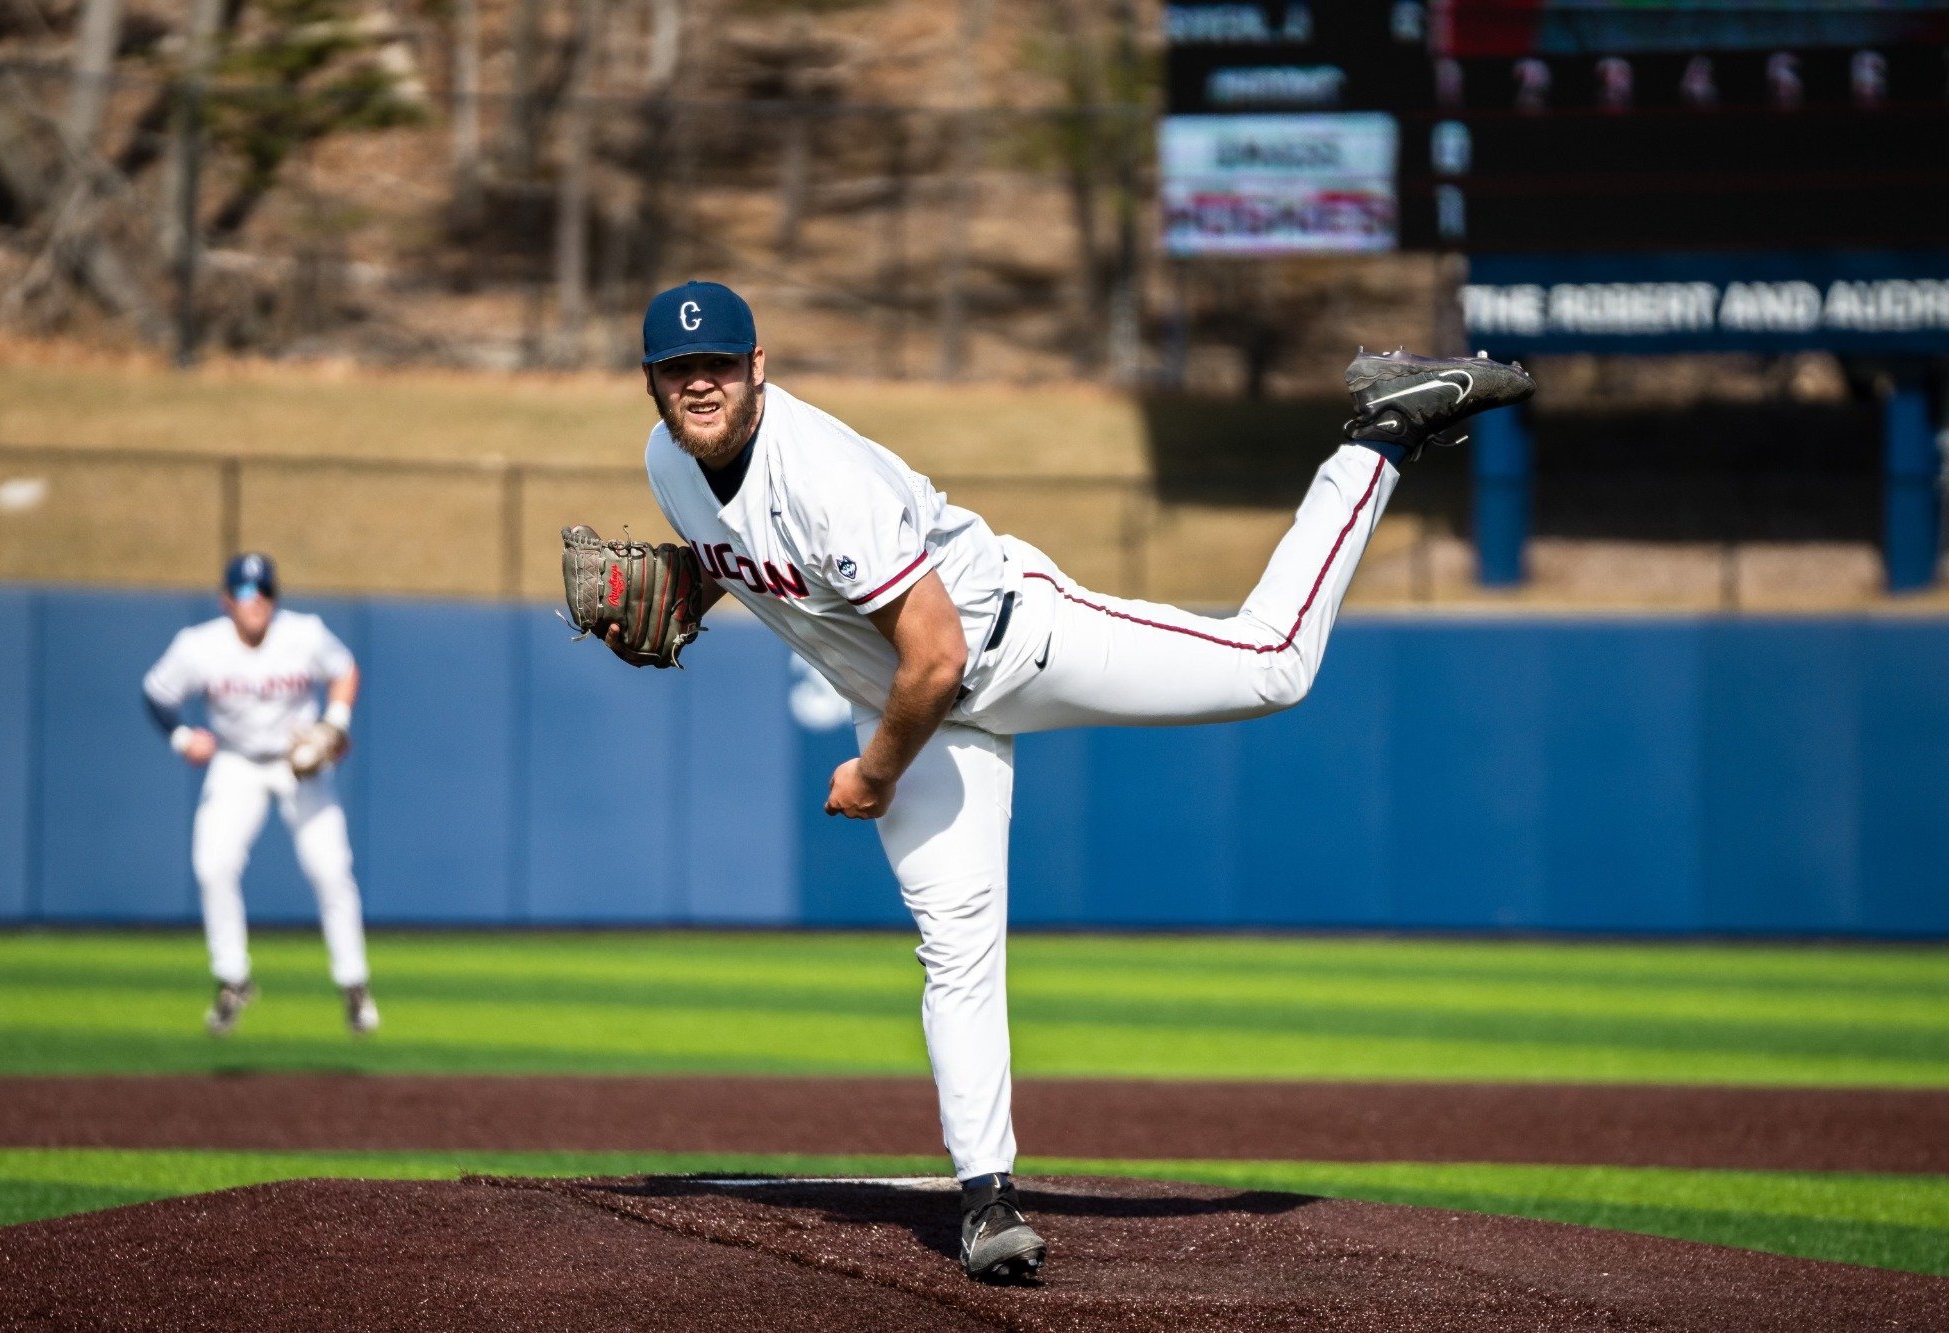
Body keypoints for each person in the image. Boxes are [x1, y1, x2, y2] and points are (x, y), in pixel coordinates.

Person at [629, 281, 1532, 1281]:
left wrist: (876, 775)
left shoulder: (823, 473)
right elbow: (744, 553)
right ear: (652, 384)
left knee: (1271, 663)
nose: (697, 383)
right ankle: (987, 1204)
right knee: (954, 943)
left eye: (716, 365)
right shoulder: (668, 461)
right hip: (906, 701)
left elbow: (932, 657)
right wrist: (687, 591)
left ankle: (1380, 431)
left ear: (758, 368)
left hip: (1012, 643)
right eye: (678, 370)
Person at [142, 553, 379, 1037]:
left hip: (300, 761)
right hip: (236, 762)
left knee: (330, 869)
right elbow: (156, 692)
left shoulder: (304, 633)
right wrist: (183, 738)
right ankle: (232, 978)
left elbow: (344, 670)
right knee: (214, 865)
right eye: (247, 592)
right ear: (226, 599)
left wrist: (334, 723)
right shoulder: (198, 646)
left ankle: (354, 986)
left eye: (265, 591)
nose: (258, 602)